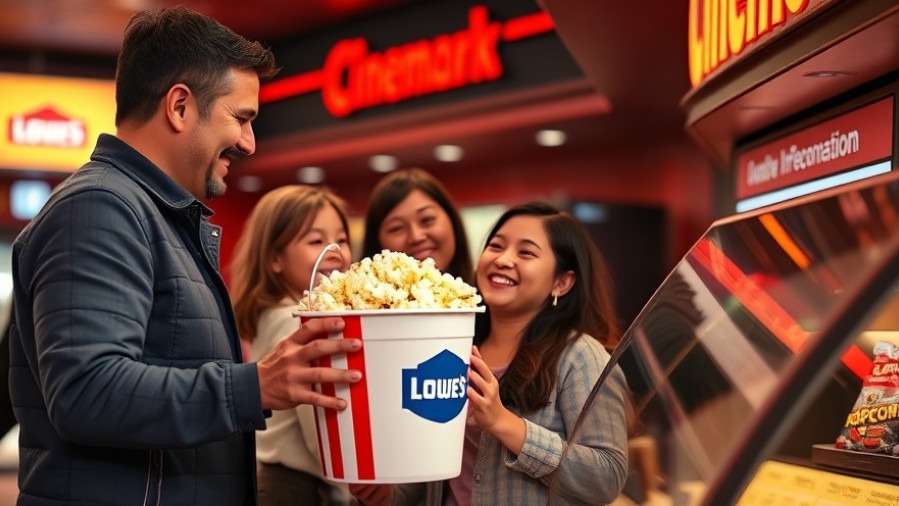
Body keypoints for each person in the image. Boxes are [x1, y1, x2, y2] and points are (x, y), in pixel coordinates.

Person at [9, 7, 361, 505]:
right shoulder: (100, 206)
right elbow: (86, 391)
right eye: (240, 118)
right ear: (179, 106)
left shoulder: (150, 212)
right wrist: (253, 387)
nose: (249, 142)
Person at [351, 202, 630, 505]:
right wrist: (387, 495)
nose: (503, 259)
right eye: (496, 246)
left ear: (562, 282)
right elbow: (433, 476)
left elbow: (606, 476)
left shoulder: (580, 357)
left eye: (526, 252)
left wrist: (503, 423)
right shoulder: (451, 346)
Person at [230, 186, 354, 505]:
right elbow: (321, 434)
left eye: (341, 239)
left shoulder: (273, 313)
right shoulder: (297, 319)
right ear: (275, 258)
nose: (335, 252)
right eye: (316, 241)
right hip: (296, 488)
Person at [362, 168, 474, 281]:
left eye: (427, 220)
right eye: (397, 228)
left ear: (452, 220)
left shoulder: (484, 295)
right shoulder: (351, 298)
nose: (416, 237)